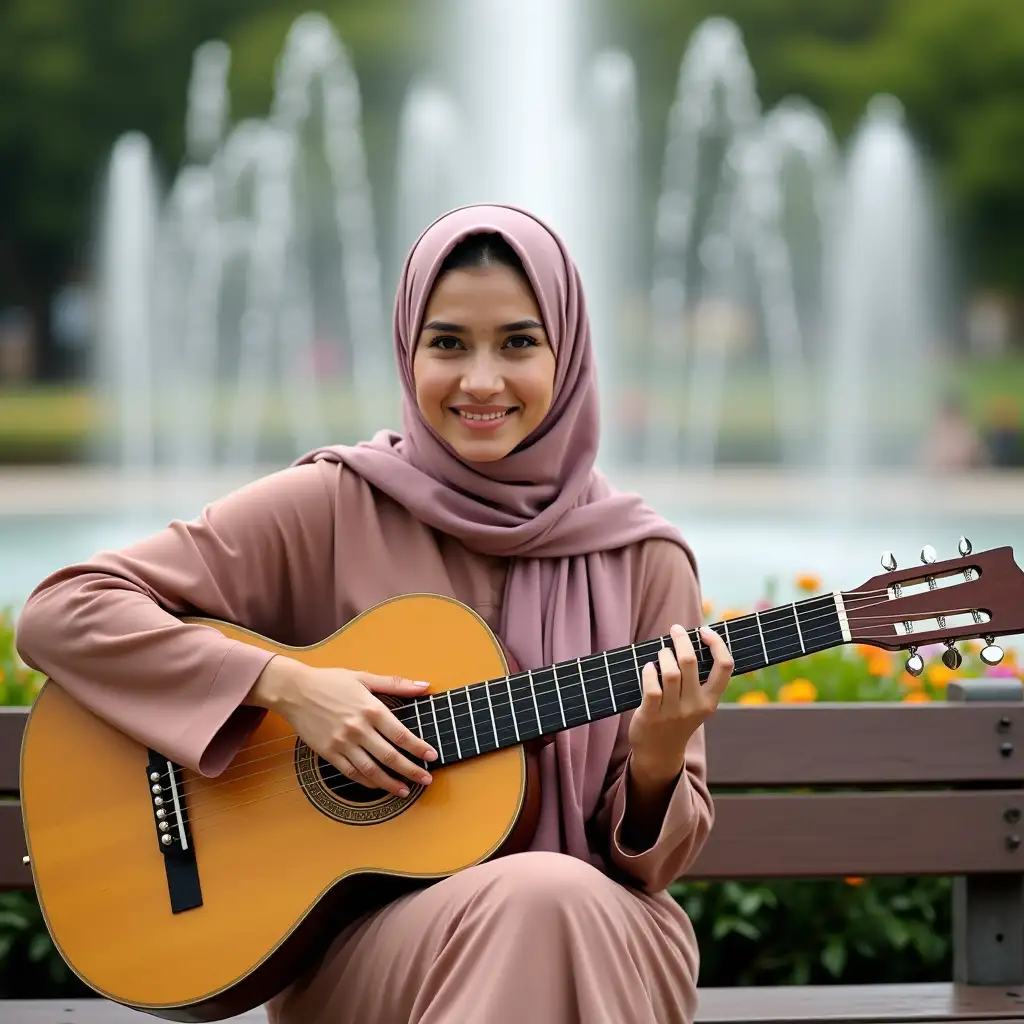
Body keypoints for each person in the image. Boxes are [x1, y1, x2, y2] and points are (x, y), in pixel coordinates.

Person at [16, 205, 734, 1024]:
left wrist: (656, 761)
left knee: (551, 896)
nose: (482, 381)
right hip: (377, 955)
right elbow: (62, 610)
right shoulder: (332, 506)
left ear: (568, 353)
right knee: (541, 897)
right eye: (449, 343)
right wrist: (283, 687)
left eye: (519, 343)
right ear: (407, 349)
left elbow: (649, 869)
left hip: (607, 935)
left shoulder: (645, 560)